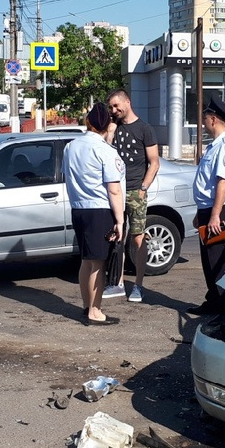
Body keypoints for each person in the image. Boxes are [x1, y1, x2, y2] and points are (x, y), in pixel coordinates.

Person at [63, 103, 125, 325]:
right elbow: (114, 189)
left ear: (88, 122)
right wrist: (120, 220)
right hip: (99, 210)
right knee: (98, 263)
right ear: (106, 125)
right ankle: (95, 311)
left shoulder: (70, 147)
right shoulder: (105, 151)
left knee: (86, 261)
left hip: (78, 209)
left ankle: (87, 305)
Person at [189, 97, 225, 317]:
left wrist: (215, 215)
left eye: (205, 120)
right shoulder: (215, 146)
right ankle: (214, 302)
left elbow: (223, 182)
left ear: (213, 119)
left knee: (219, 261)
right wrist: (201, 213)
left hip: (218, 211)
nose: (203, 124)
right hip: (208, 210)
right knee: (208, 260)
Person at [106, 88, 159, 303]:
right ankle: (117, 283)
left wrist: (143, 188)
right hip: (115, 191)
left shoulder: (145, 129)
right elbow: (104, 154)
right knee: (117, 236)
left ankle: (138, 285)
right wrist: (109, 133)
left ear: (127, 102)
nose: (114, 110)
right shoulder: (113, 127)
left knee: (137, 238)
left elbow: (154, 162)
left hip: (136, 190)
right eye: (111, 107)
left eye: (117, 105)